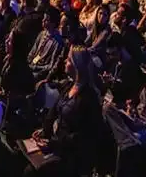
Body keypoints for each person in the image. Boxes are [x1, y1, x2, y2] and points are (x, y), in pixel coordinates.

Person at [25, 46, 102, 177]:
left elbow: (83, 137)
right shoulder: (68, 86)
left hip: (70, 155)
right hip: (55, 144)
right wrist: (44, 131)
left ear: (77, 66)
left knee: (31, 172)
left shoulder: (89, 98)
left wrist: (53, 144)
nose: (65, 61)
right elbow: (53, 112)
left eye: (69, 59)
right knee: (21, 154)